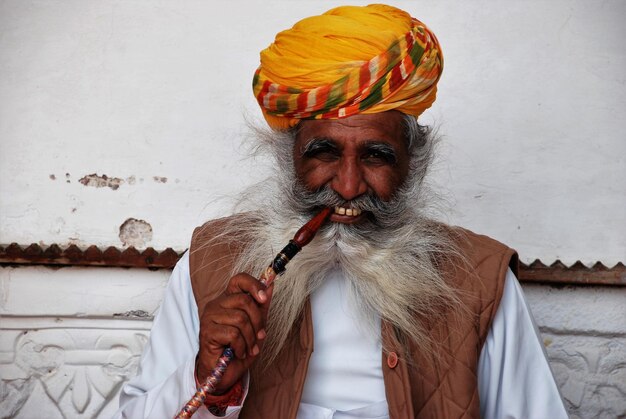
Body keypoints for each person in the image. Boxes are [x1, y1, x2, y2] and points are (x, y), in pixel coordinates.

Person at [115, 4, 568, 418]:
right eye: (324, 153)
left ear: (413, 163)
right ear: (289, 157)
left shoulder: (479, 278)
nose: (348, 187)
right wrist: (207, 379)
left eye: (376, 156)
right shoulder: (210, 264)